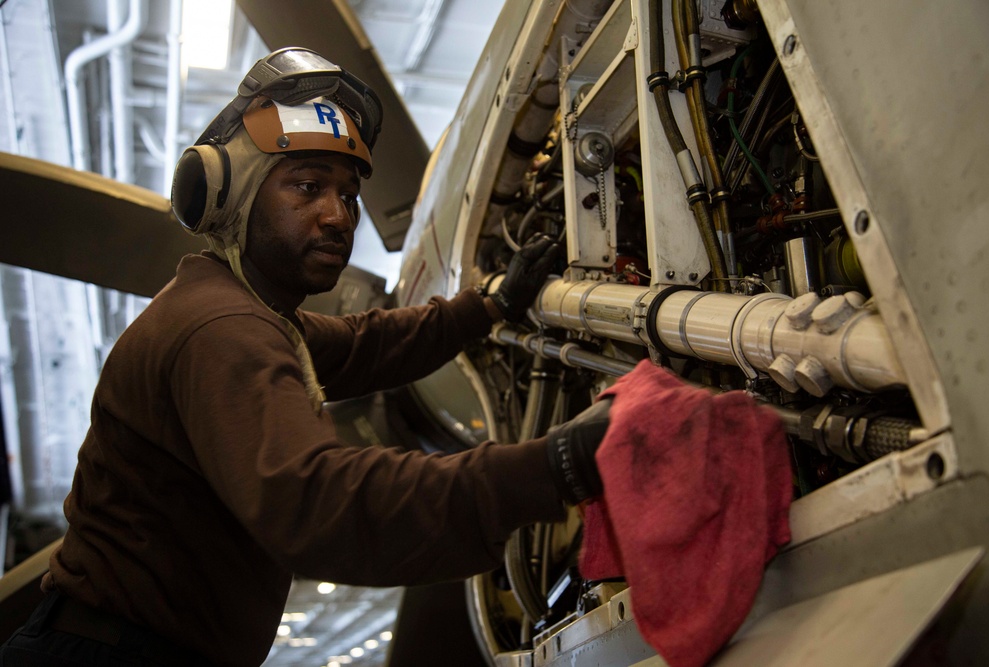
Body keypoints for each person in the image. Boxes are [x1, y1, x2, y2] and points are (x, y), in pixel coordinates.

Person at [0, 48, 609, 666]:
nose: (338, 216)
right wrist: (558, 466)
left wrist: (492, 304)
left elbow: (368, 343)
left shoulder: (256, 316)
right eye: (307, 186)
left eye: (348, 196)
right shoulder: (222, 329)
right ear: (227, 195)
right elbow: (319, 507)